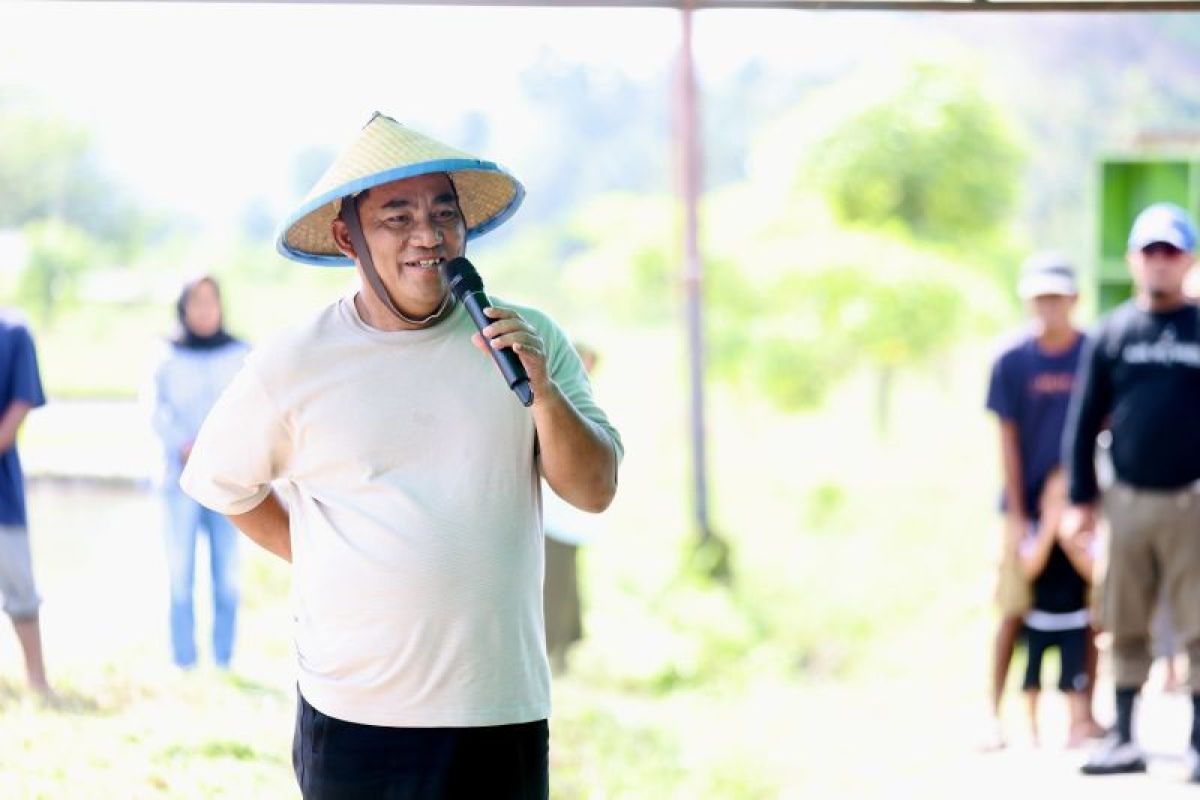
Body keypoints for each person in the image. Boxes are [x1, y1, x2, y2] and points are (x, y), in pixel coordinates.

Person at [180, 113, 622, 799]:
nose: (429, 235)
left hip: (499, 711)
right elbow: (222, 485)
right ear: (344, 236)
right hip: (356, 717)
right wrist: (328, 554)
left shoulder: (528, 337)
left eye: (444, 213)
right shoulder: (294, 363)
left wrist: (542, 395)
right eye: (397, 217)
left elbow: (594, 490)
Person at [1064, 202, 1200, 781]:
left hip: (1192, 501)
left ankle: (1197, 742)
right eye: (1151, 253)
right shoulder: (1112, 332)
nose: (1161, 264)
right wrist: (1080, 500)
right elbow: (1084, 417)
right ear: (1133, 260)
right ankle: (1123, 736)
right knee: (1124, 618)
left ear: (1188, 260)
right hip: (1127, 500)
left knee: (1198, 622)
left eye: (1171, 253)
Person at [983, 251, 1100, 749]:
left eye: (1056, 297)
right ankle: (993, 714)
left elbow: (1107, 427)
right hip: (1027, 503)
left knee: (1090, 609)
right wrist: (1018, 513)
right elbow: (1007, 439)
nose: (1048, 307)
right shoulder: (1012, 360)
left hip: (1082, 504)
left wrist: (1089, 504)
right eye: (1039, 298)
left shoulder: (1093, 353)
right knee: (1014, 607)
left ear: (1073, 299)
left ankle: (1085, 715)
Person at [149, 276, 249, 670]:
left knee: (226, 574)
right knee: (179, 574)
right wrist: (185, 444)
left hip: (229, 481)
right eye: (197, 301)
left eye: (212, 301)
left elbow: (253, 408)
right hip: (178, 481)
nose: (205, 309)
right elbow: (154, 408)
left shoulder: (241, 352)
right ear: (183, 307)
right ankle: (184, 663)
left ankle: (224, 660)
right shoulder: (165, 355)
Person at [1016, 468, 1097, 747]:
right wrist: (1049, 535)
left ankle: (1076, 726)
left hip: (1073, 619)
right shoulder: (1035, 533)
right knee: (1032, 676)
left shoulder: (1083, 536)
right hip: (1040, 619)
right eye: (1054, 500)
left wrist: (1072, 545)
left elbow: (1094, 574)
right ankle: (1031, 729)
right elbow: (1028, 570)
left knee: (1073, 677)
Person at [543, 342, 603, 675]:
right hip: (550, 517)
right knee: (554, 584)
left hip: (572, 516)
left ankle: (563, 649)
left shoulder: (584, 398)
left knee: (566, 586)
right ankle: (554, 650)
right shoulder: (552, 394)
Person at [0, 310, 51, 698]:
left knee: (20, 587)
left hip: (3, 491)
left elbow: (21, 402)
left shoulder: (14, 333)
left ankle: (37, 682)